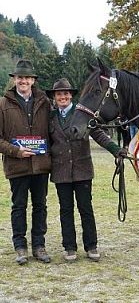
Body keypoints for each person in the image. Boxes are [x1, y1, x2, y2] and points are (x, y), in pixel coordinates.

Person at [46, 78, 127, 262]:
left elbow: (98, 134)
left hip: (82, 169)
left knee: (85, 209)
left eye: (66, 94)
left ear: (71, 96)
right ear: (54, 97)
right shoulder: (50, 117)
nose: (63, 97)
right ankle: (69, 247)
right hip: (61, 171)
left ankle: (91, 246)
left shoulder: (82, 114)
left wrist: (115, 149)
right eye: (59, 94)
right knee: (65, 210)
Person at [0, 59, 51, 265]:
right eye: (19, 77)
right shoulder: (3, 104)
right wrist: (16, 151)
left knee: (40, 206)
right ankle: (20, 247)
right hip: (17, 166)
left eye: (27, 77)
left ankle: (39, 245)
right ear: (14, 80)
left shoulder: (45, 102)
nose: (23, 81)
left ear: (32, 80)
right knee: (18, 206)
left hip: (40, 166)